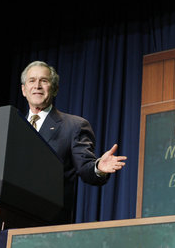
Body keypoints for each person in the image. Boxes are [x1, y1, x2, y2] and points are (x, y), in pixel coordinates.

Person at [20, 60, 127, 223]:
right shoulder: (13, 125)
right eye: (32, 80)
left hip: (48, 222)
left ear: (55, 89)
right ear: (23, 89)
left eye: (44, 80)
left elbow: (85, 168)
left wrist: (98, 167)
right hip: (10, 214)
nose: (37, 86)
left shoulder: (74, 126)